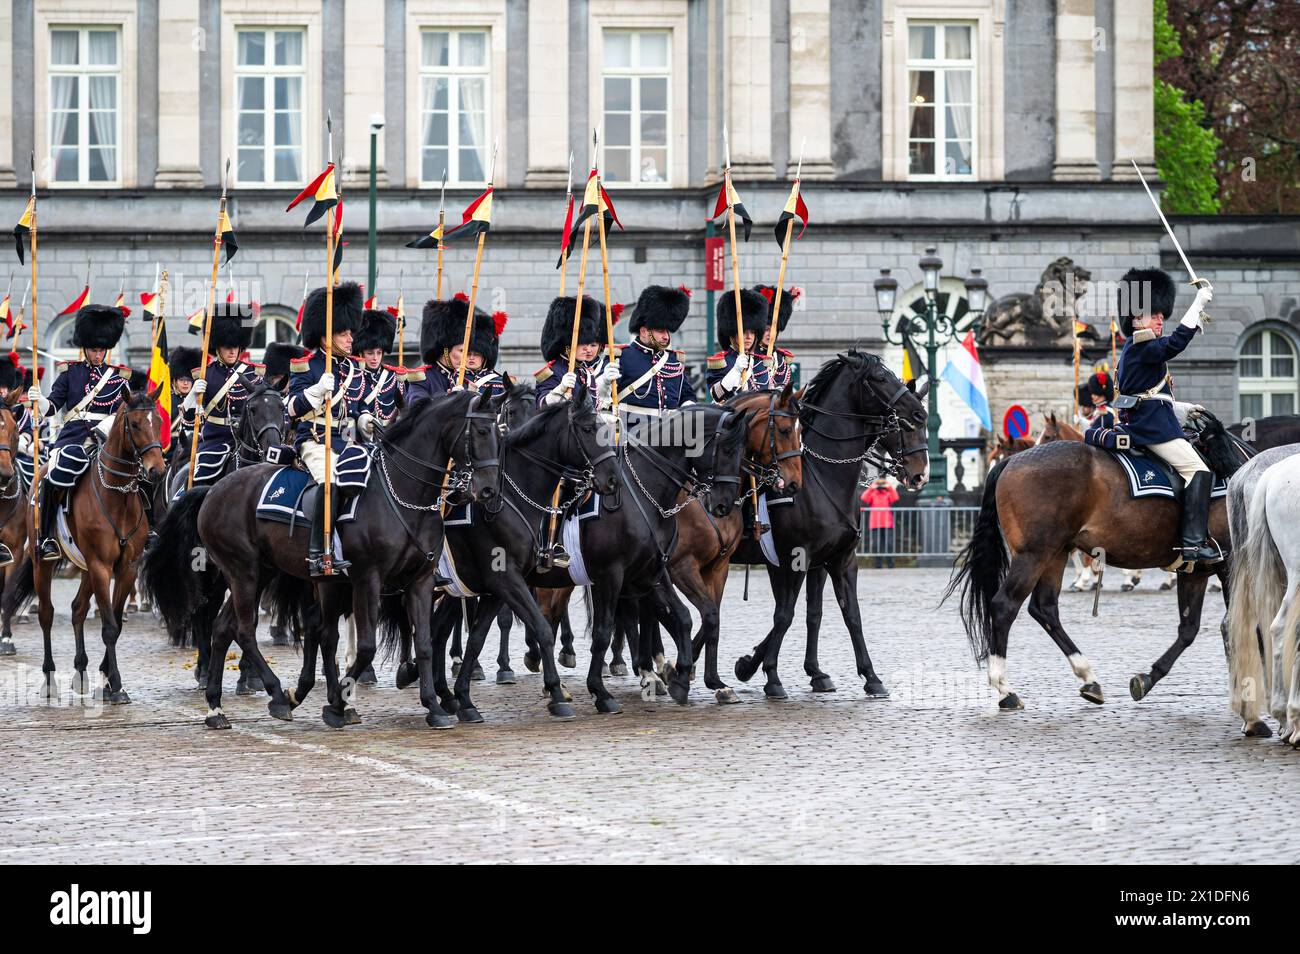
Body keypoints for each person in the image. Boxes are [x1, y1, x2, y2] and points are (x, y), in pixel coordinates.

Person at [1098, 266, 1217, 565]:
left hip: (1153, 421)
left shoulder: (1140, 350)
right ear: (1137, 318)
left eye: (1162, 314)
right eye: (1154, 314)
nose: (1160, 318)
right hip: (1153, 430)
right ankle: (1193, 544)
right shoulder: (1142, 346)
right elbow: (1177, 342)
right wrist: (1198, 303)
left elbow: (1151, 397)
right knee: (1199, 469)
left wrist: (1184, 409)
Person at [30, 302, 132, 561]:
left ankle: (146, 529)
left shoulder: (118, 378)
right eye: (93, 350)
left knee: (138, 475)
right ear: (84, 348)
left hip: (107, 440)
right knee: (55, 474)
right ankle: (48, 537)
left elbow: (124, 412)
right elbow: (53, 407)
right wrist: (40, 400)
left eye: (101, 350)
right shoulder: (70, 373)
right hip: (73, 438)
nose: (98, 355)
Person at [286, 281, 365, 576]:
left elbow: (356, 408)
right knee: (328, 482)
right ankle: (319, 552)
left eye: (350, 333)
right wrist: (316, 392)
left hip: (346, 442)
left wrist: (367, 420)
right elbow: (291, 409)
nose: (349, 339)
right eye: (342, 333)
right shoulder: (305, 366)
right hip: (315, 440)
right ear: (325, 335)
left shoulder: (353, 368)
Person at [181, 303, 257, 486]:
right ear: (217, 347)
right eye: (226, 346)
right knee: (198, 482)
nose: (232, 351)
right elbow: (190, 419)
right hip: (215, 442)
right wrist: (192, 395)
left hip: (247, 441)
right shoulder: (206, 374)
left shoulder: (252, 374)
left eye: (235, 346)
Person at [405, 293, 508, 405]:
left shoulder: (466, 382)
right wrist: (449, 399)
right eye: (461, 351)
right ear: (446, 349)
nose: (465, 357)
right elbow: (418, 408)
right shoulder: (421, 378)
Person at [617, 284, 696, 417]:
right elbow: (602, 398)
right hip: (633, 430)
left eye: (667, 331)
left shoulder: (673, 360)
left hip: (671, 429)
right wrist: (604, 384)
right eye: (660, 330)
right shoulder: (622, 357)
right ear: (643, 331)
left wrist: (688, 404)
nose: (666, 336)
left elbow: (687, 394)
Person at [535, 295, 620, 408]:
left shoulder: (585, 372)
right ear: (568, 344)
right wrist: (560, 390)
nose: (588, 349)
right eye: (583, 343)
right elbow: (542, 405)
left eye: (592, 344)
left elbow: (593, 408)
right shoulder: (552, 371)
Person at [706, 288, 770, 402]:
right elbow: (716, 395)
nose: (749, 337)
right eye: (744, 332)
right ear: (733, 333)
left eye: (753, 332)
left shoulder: (761, 362)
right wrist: (735, 371)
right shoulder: (721, 362)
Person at [352, 307, 401, 427]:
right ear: (361, 352)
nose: (375, 358)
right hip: (361, 438)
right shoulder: (352, 376)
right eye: (370, 353)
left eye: (379, 353)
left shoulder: (393, 377)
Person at [752, 284, 798, 390]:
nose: (770, 334)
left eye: (773, 329)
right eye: (766, 330)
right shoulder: (747, 356)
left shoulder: (781, 359)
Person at [167, 346, 200, 460]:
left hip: (193, 451)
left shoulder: (198, 399)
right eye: (182, 379)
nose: (186, 383)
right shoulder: (167, 399)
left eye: (189, 380)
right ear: (175, 380)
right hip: (169, 451)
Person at [860, 477, 900, 569]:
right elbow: (863, 497)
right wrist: (872, 488)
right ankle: (878, 564)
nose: (881, 486)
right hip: (875, 523)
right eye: (879, 484)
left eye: (882, 484)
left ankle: (890, 563)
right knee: (876, 544)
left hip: (887, 523)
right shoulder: (873, 494)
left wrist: (889, 486)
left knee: (889, 544)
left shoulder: (888, 494)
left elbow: (896, 497)